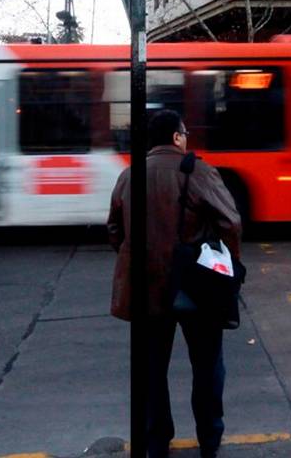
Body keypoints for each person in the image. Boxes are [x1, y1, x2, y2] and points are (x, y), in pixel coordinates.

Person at [107, 110, 242, 458]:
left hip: (146, 287)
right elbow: (231, 222)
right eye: (185, 133)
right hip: (196, 286)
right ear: (177, 137)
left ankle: (157, 440)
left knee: (152, 370)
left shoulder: (128, 175)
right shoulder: (196, 170)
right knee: (207, 366)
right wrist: (227, 265)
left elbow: (114, 230)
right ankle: (209, 440)